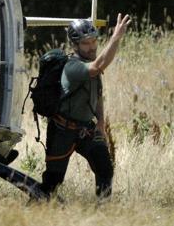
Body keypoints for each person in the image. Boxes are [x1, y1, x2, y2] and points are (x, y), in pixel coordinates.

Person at [40, 13, 131, 199]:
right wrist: (115, 38)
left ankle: (102, 213)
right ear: (74, 45)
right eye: (85, 43)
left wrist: (100, 123)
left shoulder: (90, 64)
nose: (92, 47)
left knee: (105, 169)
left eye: (93, 41)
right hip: (62, 131)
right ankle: (34, 211)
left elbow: (97, 95)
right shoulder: (73, 67)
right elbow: (98, 67)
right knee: (53, 183)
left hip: (85, 130)